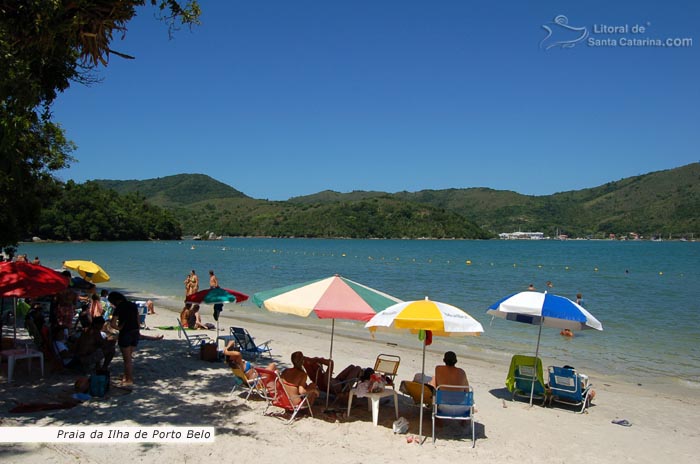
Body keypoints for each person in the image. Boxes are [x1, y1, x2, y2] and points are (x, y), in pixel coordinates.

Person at [108, 291, 140, 386]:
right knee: (129, 357)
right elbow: (138, 320)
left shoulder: (119, 307)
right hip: (135, 332)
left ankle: (129, 380)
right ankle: (125, 376)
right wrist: (137, 329)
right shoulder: (132, 305)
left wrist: (119, 328)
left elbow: (112, 324)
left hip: (126, 333)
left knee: (127, 360)